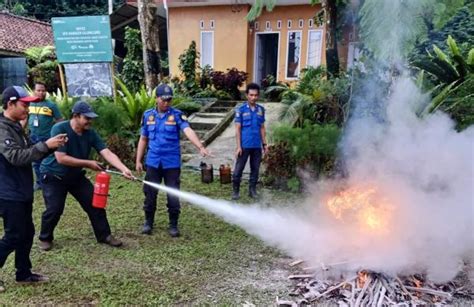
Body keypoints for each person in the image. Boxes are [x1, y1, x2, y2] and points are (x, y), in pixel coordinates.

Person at [38, 101, 133, 251]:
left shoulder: (90, 133)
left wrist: (123, 169)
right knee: (54, 209)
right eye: (87, 118)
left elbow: (106, 152)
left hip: (75, 176)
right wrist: (88, 163)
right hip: (53, 175)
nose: (90, 121)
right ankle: (45, 238)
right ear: (75, 116)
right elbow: (61, 158)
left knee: (95, 203)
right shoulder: (60, 128)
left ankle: (104, 235)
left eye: (91, 118)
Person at [0, 86, 67, 290]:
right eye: (24, 104)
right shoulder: (2, 129)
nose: (28, 108)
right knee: (14, 235)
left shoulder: (16, 126)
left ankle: (23, 273)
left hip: (21, 191)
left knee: (27, 233)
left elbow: (29, 152)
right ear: (10, 104)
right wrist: (46, 146)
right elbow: (16, 157)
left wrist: (50, 147)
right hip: (8, 192)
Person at [136, 84, 210, 237]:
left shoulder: (177, 115)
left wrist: (200, 146)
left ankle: (173, 225)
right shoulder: (148, 115)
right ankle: (148, 222)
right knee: (150, 194)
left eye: (169, 100)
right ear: (156, 98)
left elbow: (188, 130)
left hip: (171, 163)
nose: (166, 102)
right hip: (153, 162)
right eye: (163, 100)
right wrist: (138, 160)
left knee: (173, 195)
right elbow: (143, 139)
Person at [231, 83, 268, 200]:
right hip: (244, 145)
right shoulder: (240, 110)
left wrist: (264, 144)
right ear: (247, 95)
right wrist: (238, 147)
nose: (253, 98)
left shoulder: (261, 110)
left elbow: (262, 128)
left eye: (256, 95)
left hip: (256, 146)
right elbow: (237, 129)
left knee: (255, 170)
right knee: (238, 170)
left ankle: (252, 191)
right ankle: (235, 192)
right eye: (251, 95)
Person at [26, 82, 63, 191]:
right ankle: (39, 182)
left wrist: (56, 134)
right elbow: (24, 119)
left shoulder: (51, 105)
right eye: (38, 90)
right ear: (34, 91)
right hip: (33, 136)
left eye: (43, 91)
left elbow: (59, 120)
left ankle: (49, 180)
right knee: (35, 161)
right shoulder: (30, 104)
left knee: (47, 161)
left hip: (47, 138)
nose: (41, 93)